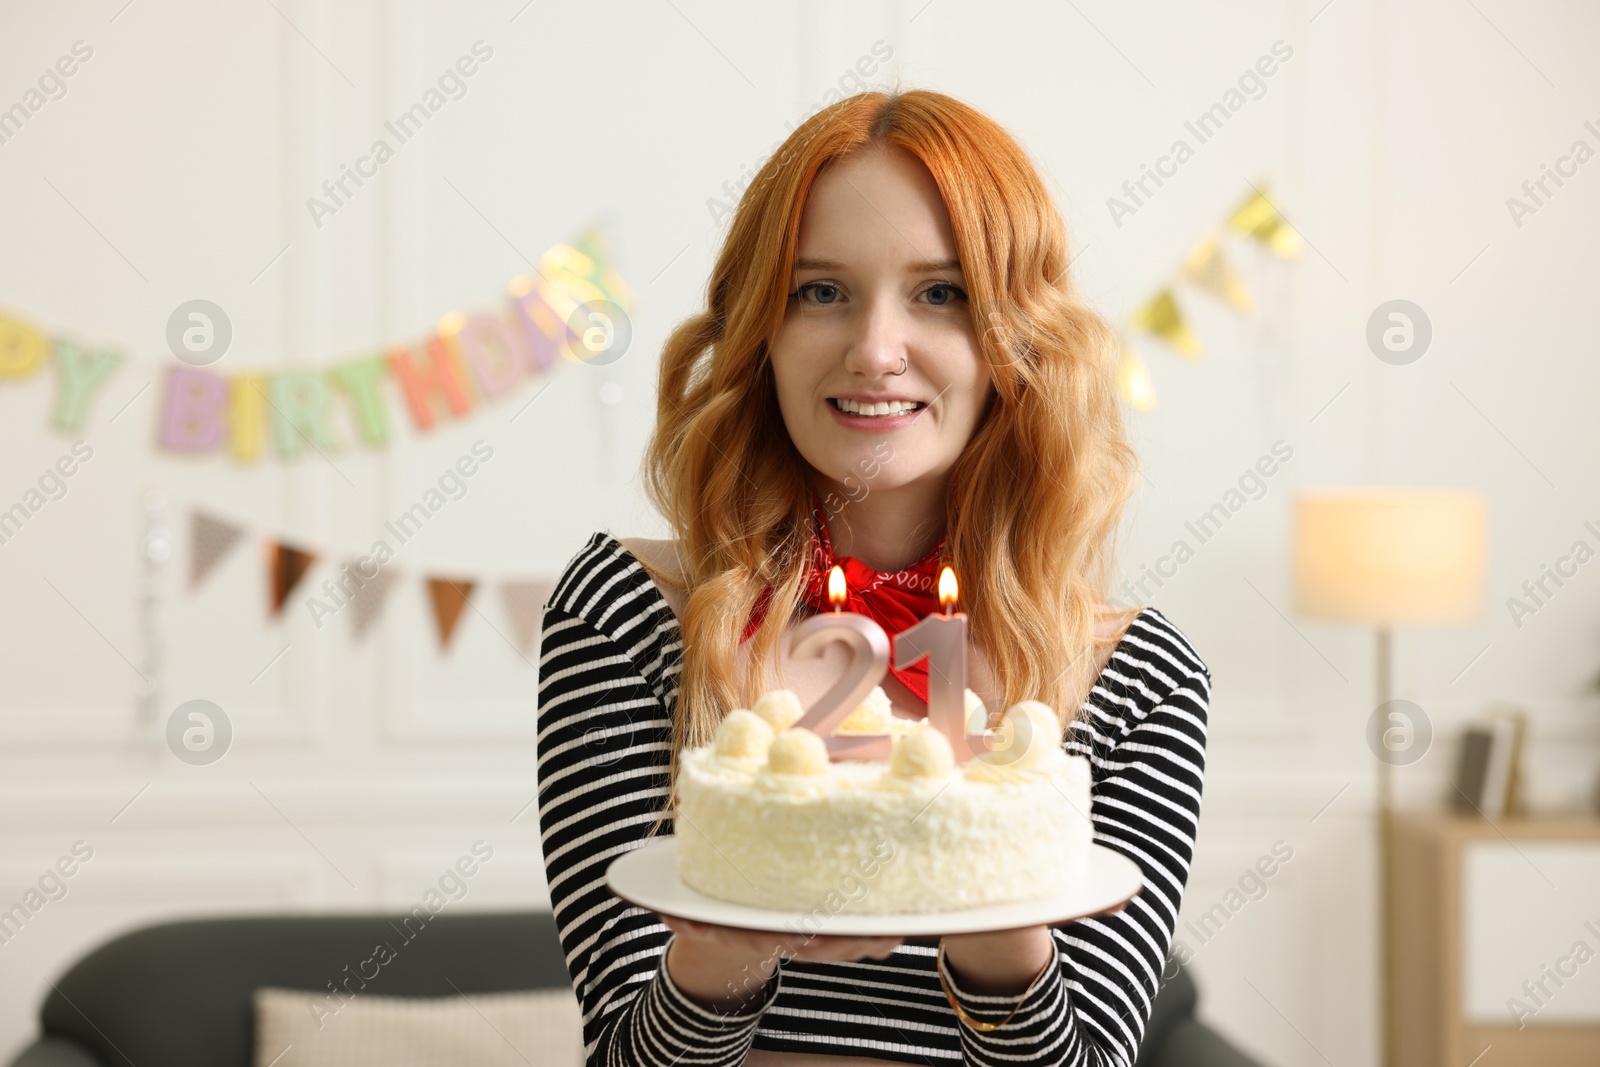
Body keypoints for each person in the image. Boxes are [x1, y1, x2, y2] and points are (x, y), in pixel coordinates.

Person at [537, 89, 1211, 1067]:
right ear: (760, 330)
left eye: (940, 292)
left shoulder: (1137, 674)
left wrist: (989, 912)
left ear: (1013, 337)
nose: (875, 350)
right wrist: (722, 955)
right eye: (820, 290)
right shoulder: (627, 614)